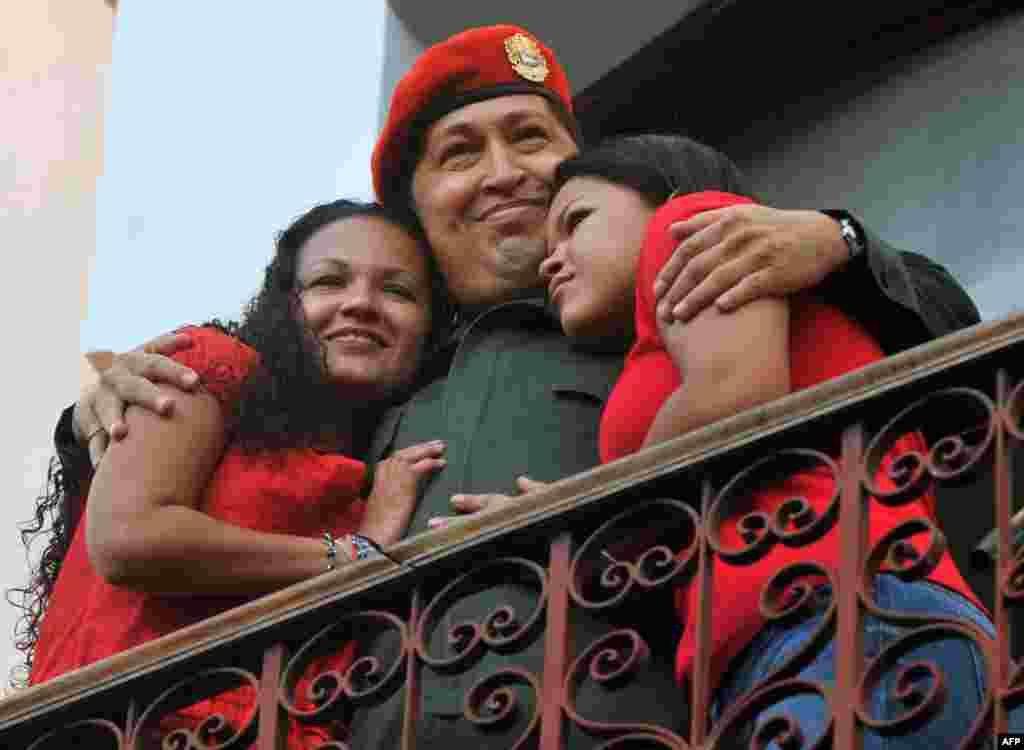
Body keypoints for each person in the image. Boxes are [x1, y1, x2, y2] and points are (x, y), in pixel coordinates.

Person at [33, 24, 982, 749]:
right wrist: (96, 418)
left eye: (530, 138)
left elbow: (932, 332)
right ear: (416, 212)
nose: (505, 174)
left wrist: (839, 240)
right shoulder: (376, 379)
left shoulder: (663, 296)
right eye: (460, 153)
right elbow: (242, 493)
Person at [540, 132, 1000, 746]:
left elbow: (736, 400)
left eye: (576, 222)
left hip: (850, 623)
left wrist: (575, 520)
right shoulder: (655, 339)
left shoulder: (695, 224)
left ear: (661, 194)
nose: (552, 257)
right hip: (813, 640)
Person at [18, 199, 450, 745]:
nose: (360, 304)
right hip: (120, 727)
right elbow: (131, 537)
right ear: (283, 308)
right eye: (328, 282)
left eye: (397, 291)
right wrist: (354, 554)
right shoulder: (212, 365)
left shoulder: (373, 467)